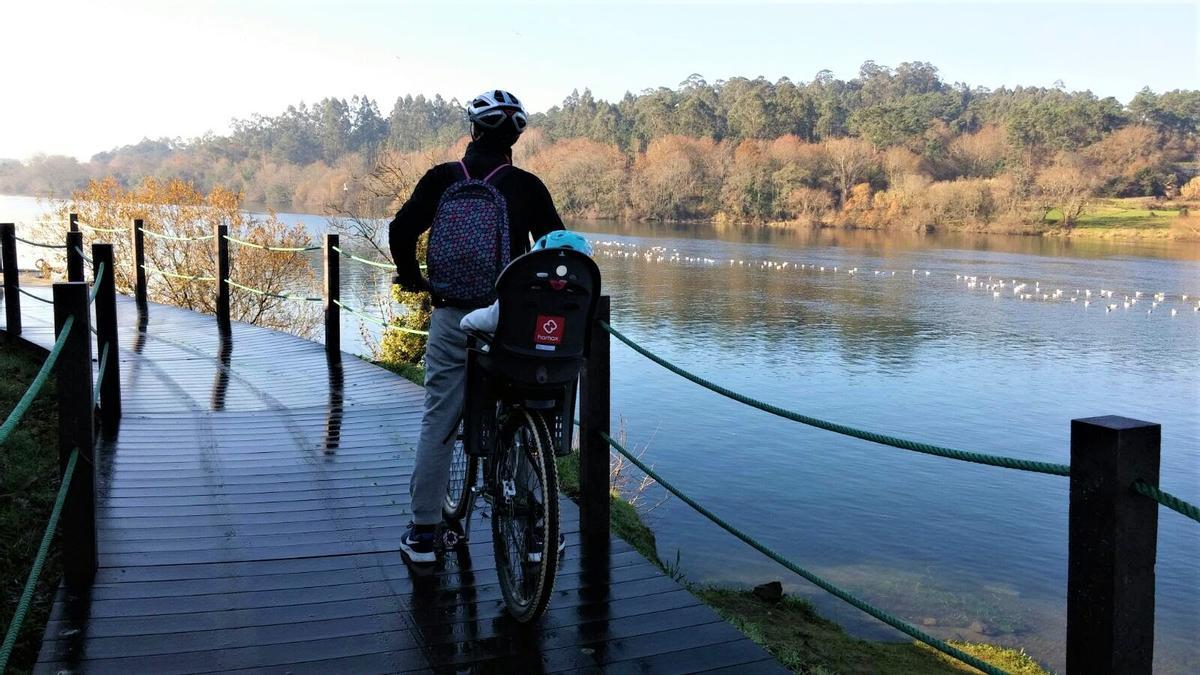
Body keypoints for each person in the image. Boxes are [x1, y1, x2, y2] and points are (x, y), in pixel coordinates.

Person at [389, 89, 563, 563]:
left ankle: (425, 533)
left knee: (440, 417)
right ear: (514, 139)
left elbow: (400, 230)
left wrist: (411, 277)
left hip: (452, 315)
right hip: (512, 319)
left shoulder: (443, 179)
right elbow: (556, 251)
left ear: (472, 131)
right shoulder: (527, 186)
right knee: (528, 408)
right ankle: (536, 530)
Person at [459, 230, 595, 335]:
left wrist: (465, 321)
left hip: (512, 366)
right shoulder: (583, 304)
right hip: (563, 369)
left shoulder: (517, 295)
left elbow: (469, 323)